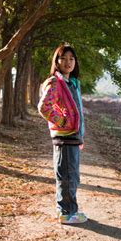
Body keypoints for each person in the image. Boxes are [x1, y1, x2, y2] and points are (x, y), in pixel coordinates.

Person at [37, 43, 87, 224]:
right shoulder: (55, 82)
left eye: (71, 59)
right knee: (66, 176)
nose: (68, 62)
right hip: (64, 138)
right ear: (56, 61)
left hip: (73, 138)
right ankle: (66, 213)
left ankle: (69, 210)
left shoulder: (71, 83)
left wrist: (80, 132)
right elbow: (44, 107)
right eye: (63, 58)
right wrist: (63, 122)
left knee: (72, 176)